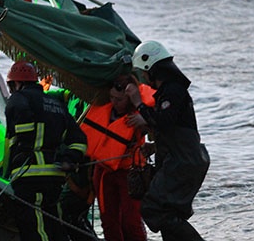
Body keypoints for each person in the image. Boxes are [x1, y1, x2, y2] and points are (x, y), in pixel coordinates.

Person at [124, 40, 210, 241]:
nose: (144, 78)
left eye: (144, 73)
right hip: (182, 159)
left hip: (184, 162)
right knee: (170, 214)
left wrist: (139, 104)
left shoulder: (173, 91)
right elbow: (176, 129)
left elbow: (164, 121)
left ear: (152, 68)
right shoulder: (168, 92)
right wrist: (154, 146)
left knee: (154, 209)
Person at [2, 60, 87, 241]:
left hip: (29, 174)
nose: (11, 91)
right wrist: (69, 158)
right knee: (53, 222)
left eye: (11, 86)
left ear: (17, 83)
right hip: (55, 175)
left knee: (33, 227)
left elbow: (20, 132)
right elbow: (79, 140)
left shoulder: (19, 98)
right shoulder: (57, 104)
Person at [80, 74, 155, 241]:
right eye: (112, 97)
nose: (114, 102)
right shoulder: (102, 108)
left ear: (129, 100)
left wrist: (147, 134)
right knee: (108, 221)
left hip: (131, 174)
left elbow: (162, 135)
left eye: (119, 99)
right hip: (103, 172)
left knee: (131, 221)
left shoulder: (139, 118)